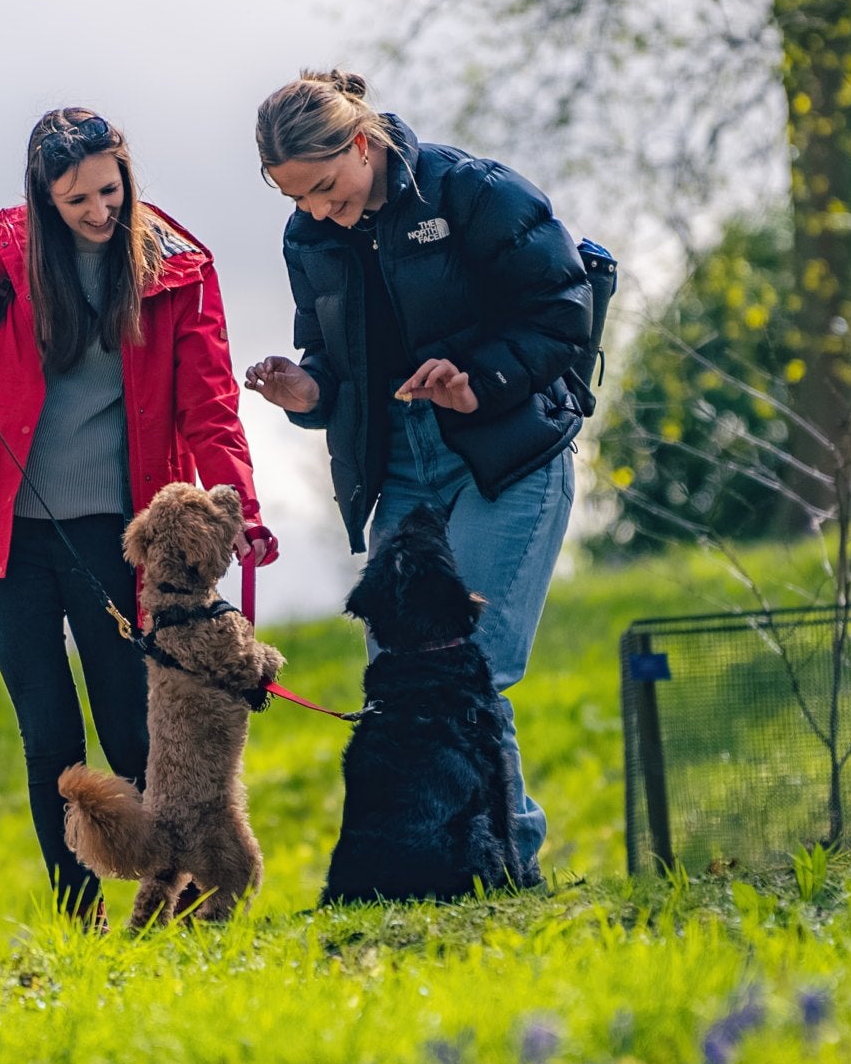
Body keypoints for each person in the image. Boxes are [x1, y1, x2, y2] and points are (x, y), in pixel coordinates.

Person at [0, 108, 275, 920]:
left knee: (136, 725)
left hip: (117, 535)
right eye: (76, 199)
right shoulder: (8, 247)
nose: (98, 211)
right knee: (48, 732)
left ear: (127, 176)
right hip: (3, 526)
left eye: (109, 190)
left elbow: (211, 406)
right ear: (44, 197)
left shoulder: (180, 267)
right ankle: (76, 915)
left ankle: (180, 901)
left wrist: (242, 511)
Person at [241, 70, 590, 873]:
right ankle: (434, 866)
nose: (321, 212)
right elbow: (333, 361)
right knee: (404, 679)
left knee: (471, 669)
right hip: (397, 468)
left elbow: (563, 309)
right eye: (300, 202)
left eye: (328, 188)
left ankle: (509, 863)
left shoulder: (471, 193)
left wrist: (479, 379)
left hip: (503, 456)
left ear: (362, 143)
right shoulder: (310, 236)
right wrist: (307, 391)